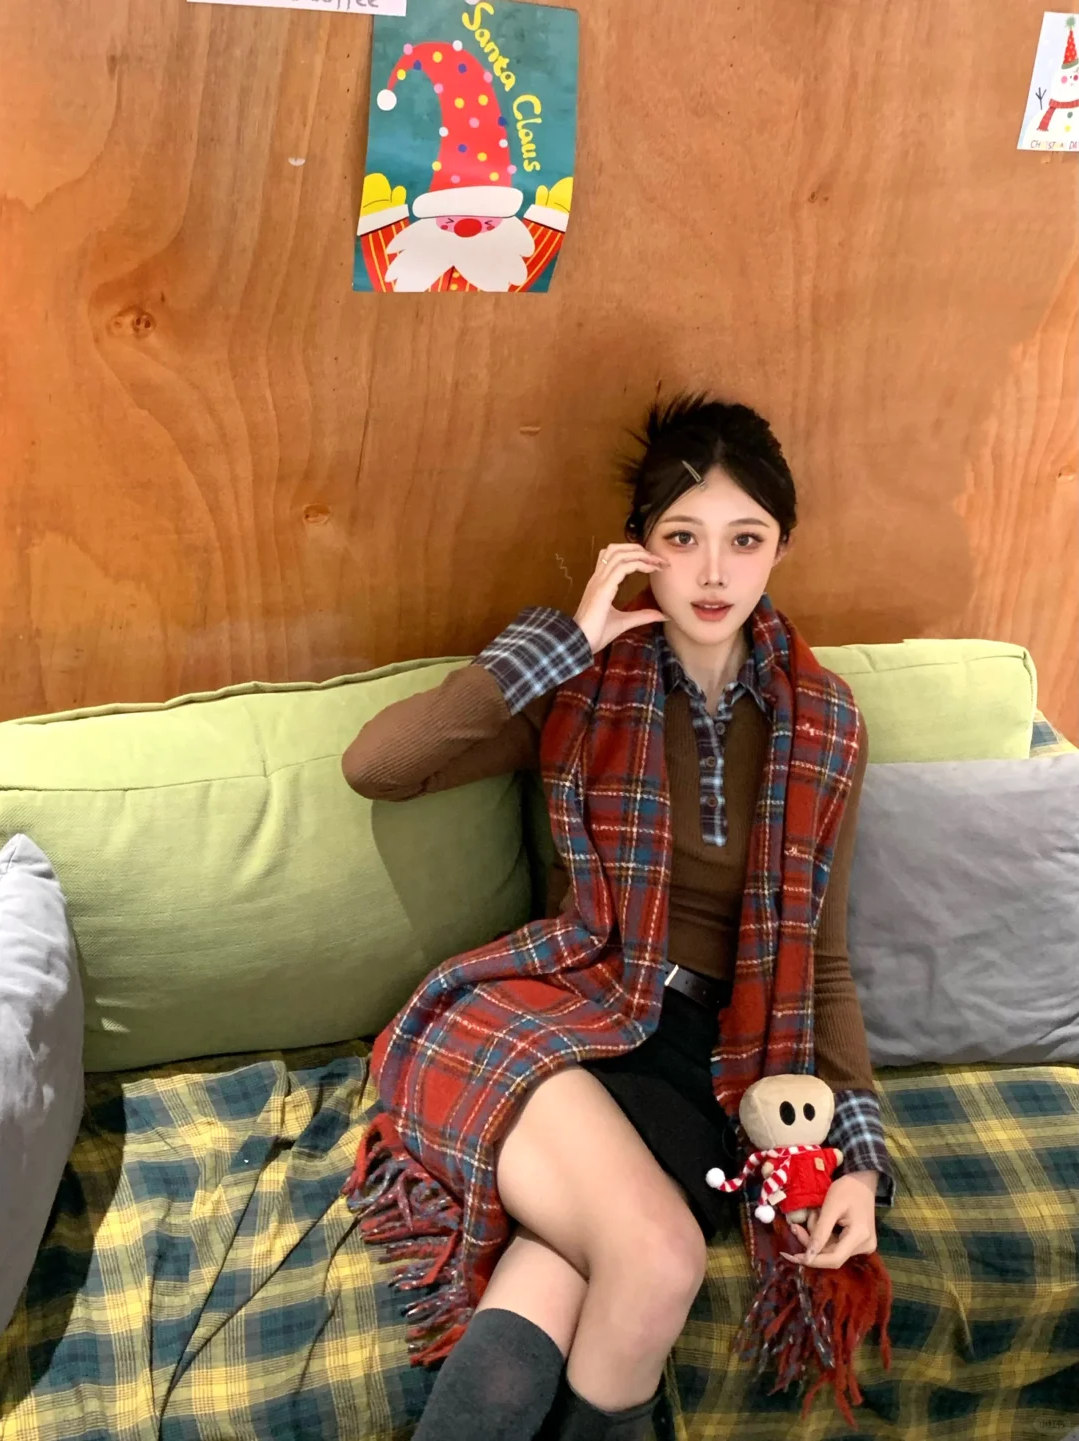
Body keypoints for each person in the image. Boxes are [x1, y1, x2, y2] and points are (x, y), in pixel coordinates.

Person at [341, 394, 896, 1441]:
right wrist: (562, 642)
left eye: (745, 539)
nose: (713, 573)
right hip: (561, 1008)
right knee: (659, 1254)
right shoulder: (583, 679)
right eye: (682, 539)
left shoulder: (827, 723)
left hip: (709, 1059)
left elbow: (822, 960)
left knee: (548, 1289)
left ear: (781, 547)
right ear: (640, 546)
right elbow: (379, 765)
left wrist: (859, 1159)